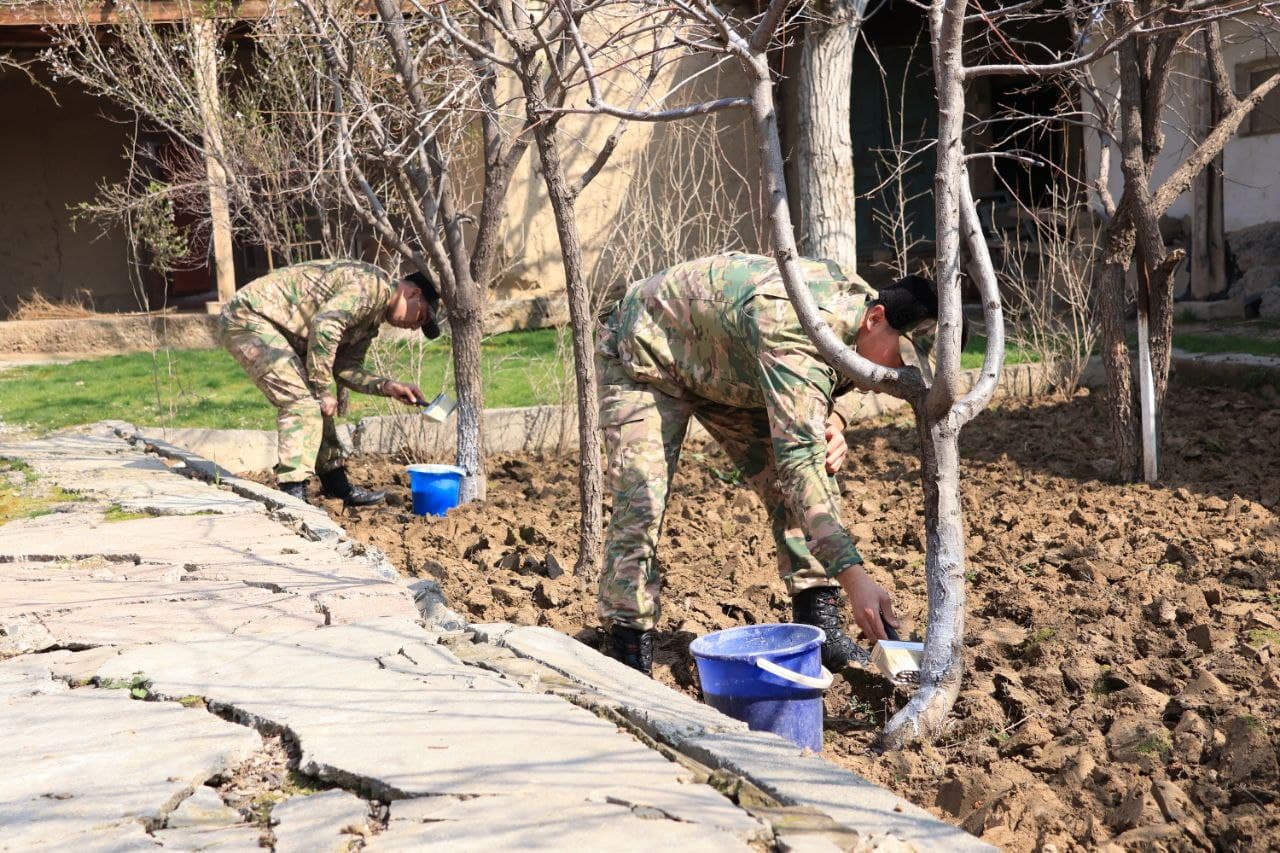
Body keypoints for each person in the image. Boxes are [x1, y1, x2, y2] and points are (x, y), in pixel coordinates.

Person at [595, 252, 940, 674]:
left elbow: (853, 371)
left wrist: (834, 419)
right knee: (642, 497)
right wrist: (855, 580)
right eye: (901, 359)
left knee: (796, 483)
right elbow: (799, 463)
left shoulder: (861, 313)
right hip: (645, 353)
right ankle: (628, 642)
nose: (899, 374)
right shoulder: (797, 336)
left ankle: (819, 622)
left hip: (732, 366)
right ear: (876, 318)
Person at [219, 258, 441, 506]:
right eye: (420, 317)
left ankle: (336, 484)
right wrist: (323, 388)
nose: (414, 328)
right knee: (301, 402)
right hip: (249, 317)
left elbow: (346, 368)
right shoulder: (371, 286)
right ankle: (293, 494)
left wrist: (388, 386)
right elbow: (325, 325)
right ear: (413, 293)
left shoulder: (371, 319)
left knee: (316, 402)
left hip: (277, 328)